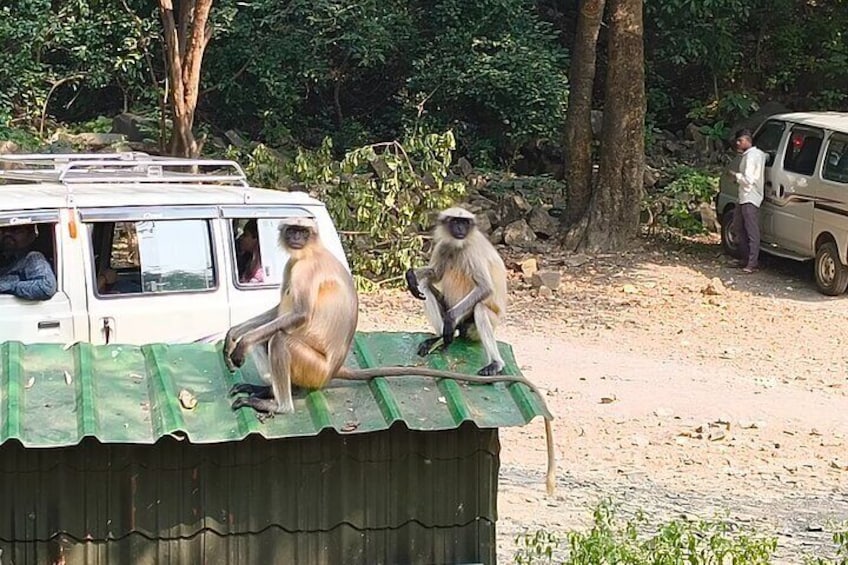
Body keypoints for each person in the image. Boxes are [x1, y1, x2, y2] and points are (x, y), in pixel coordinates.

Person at [730, 129, 767, 273]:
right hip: (744, 197)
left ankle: (752, 263)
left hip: (750, 196)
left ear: (746, 140)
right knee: (738, 226)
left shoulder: (751, 157)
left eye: (740, 141)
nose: (738, 144)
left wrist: (736, 176)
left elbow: (749, 180)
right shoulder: (758, 154)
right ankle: (745, 258)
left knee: (752, 231)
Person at [0, 224, 58, 300]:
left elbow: (46, 287)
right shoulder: (5, 258)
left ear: (31, 236)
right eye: (2, 231)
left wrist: (8, 285)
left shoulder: (33, 258)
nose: (7, 234)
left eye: (16, 231)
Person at [236, 219, 265, 284]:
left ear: (255, 238)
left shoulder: (265, 258)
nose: (241, 238)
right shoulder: (248, 257)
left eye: (245, 235)